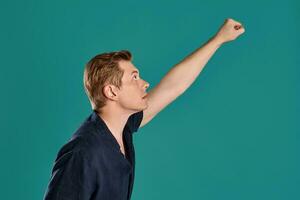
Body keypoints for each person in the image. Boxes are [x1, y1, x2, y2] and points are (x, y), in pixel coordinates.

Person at [43, 18, 245, 200]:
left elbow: (173, 87)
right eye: (134, 77)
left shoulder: (121, 128)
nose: (145, 83)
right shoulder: (83, 152)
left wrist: (218, 40)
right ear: (112, 92)